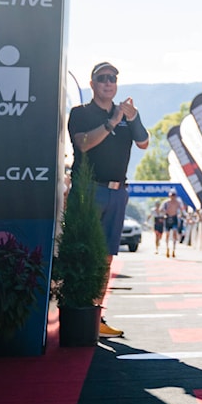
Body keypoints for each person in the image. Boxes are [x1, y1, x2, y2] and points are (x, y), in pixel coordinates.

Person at [68, 62, 149, 338]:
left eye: (112, 78)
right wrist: (112, 121)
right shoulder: (80, 113)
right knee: (83, 251)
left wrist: (133, 117)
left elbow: (144, 143)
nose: (108, 82)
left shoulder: (126, 115)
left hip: (117, 192)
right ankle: (76, 309)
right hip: (89, 188)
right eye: (102, 78)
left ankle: (96, 315)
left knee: (106, 257)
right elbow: (83, 143)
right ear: (92, 84)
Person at [163, 189, 181, 257]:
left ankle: (173, 250)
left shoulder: (178, 202)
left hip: (174, 218)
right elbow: (162, 209)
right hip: (168, 218)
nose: (172, 197)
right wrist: (165, 213)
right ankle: (167, 248)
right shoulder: (166, 202)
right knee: (167, 234)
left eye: (174, 195)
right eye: (171, 195)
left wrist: (180, 214)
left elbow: (181, 210)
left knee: (174, 233)